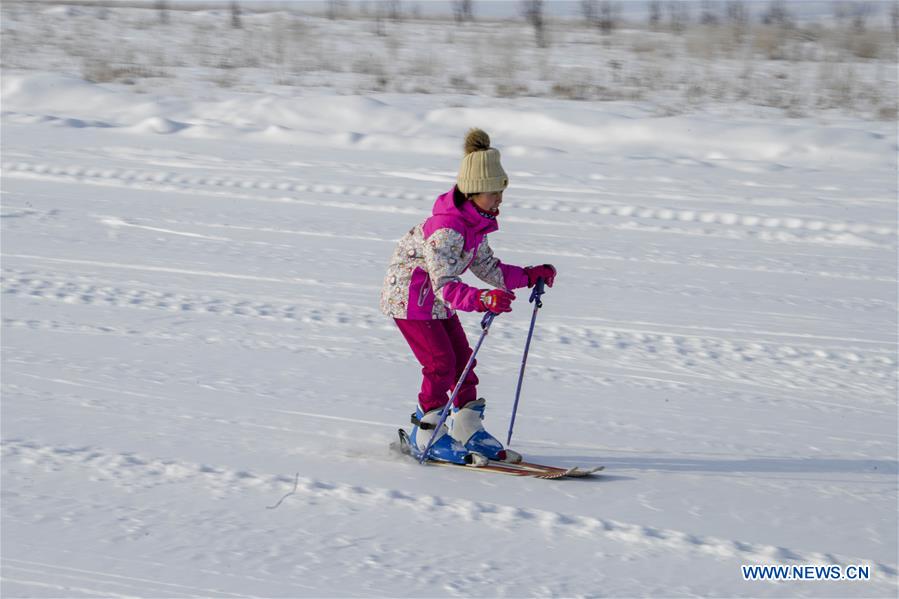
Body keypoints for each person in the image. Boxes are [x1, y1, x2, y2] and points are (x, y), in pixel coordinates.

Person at [380, 128, 557, 464]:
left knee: (463, 361)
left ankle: (467, 427)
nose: (500, 200)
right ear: (475, 192)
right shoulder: (447, 229)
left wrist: (529, 275)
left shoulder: (475, 224)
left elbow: (489, 268)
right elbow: (445, 284)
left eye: (502, 193)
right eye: (495, 194)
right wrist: (482, 300)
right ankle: (426, 432)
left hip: (436, 301)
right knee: (440, 364)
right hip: (410, 300)